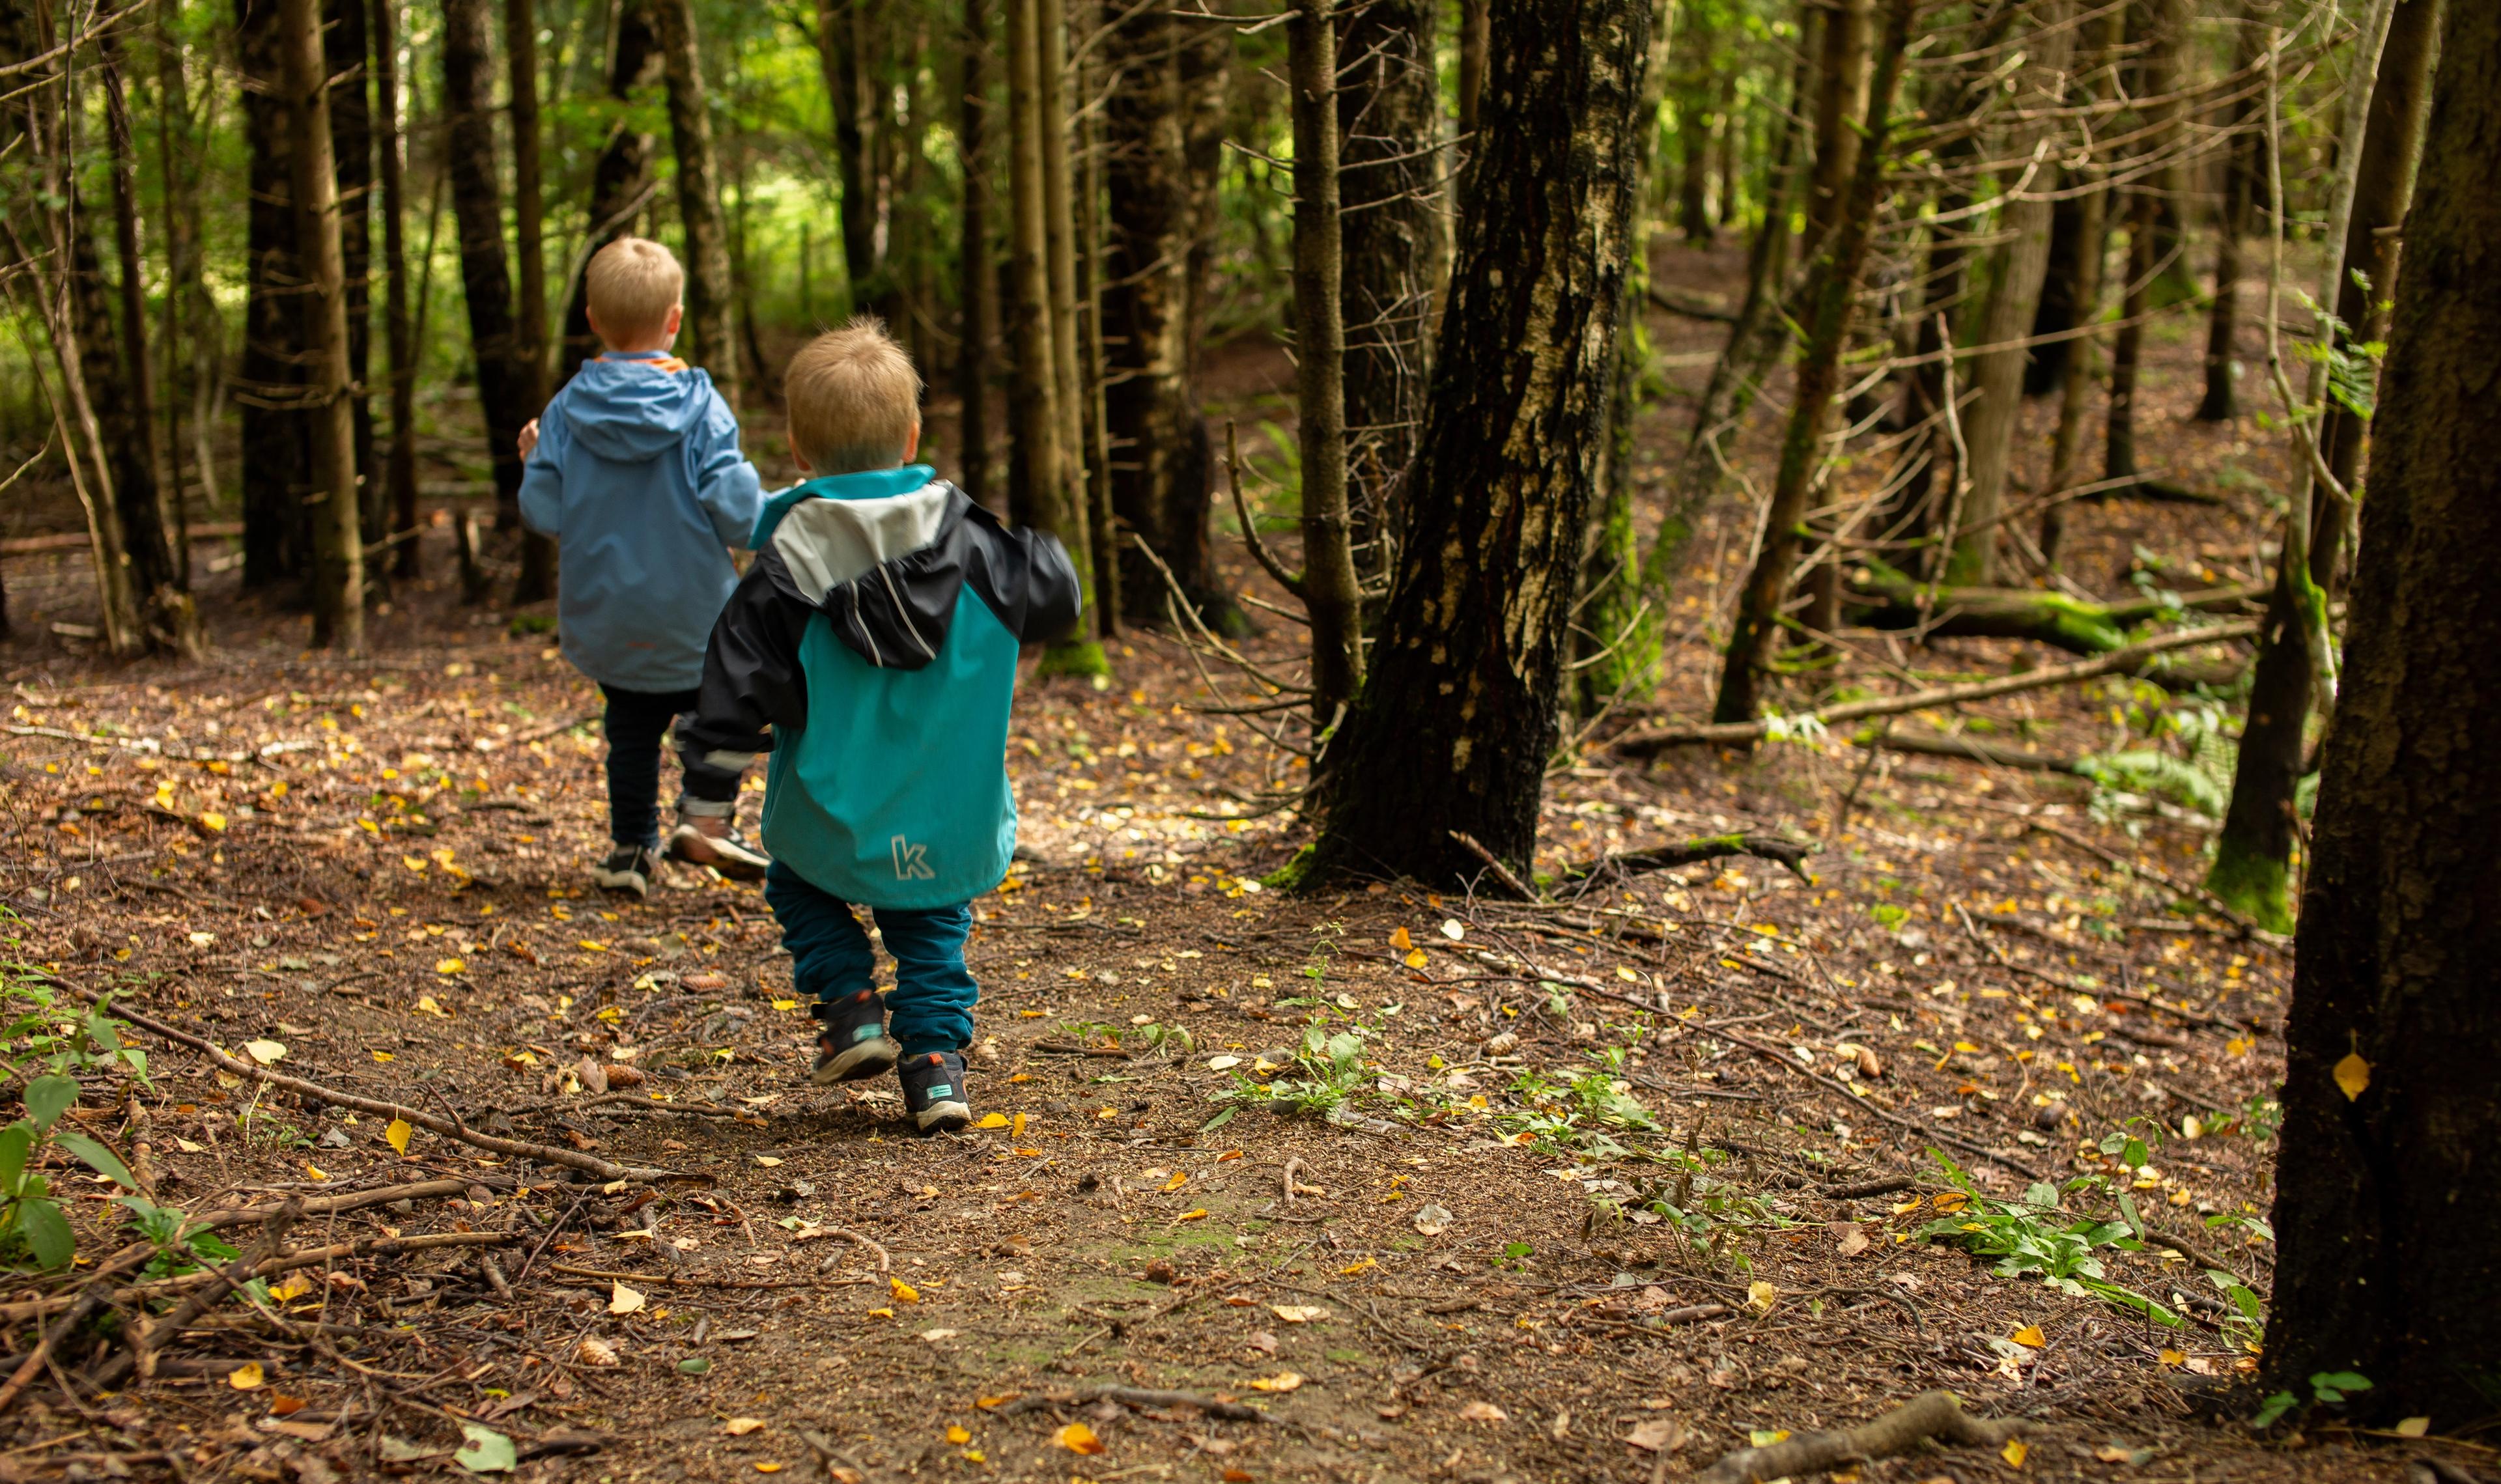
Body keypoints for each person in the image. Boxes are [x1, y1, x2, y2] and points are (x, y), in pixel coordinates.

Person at [674, 318, 1081, 1133]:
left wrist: (706, 800)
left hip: (828, 809)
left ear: (797, 449)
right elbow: (1059, 593)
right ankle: (936, 1072)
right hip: (948, 811)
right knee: (934, 933)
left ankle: (853, 1010)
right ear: (913, 434)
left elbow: (732, 682)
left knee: (795, 883)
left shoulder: (787, 567)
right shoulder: (974, 545)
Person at [518, 237, 771, 899]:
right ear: (675, 319)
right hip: (695, 616)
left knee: (628, 732)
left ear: (594, 319)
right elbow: (739, 516)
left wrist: (535, 458)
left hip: (609, 617)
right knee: (730, 708)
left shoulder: (567, 410)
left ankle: (630, 849)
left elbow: (545, 510)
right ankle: (704, 810)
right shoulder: (700, 407)